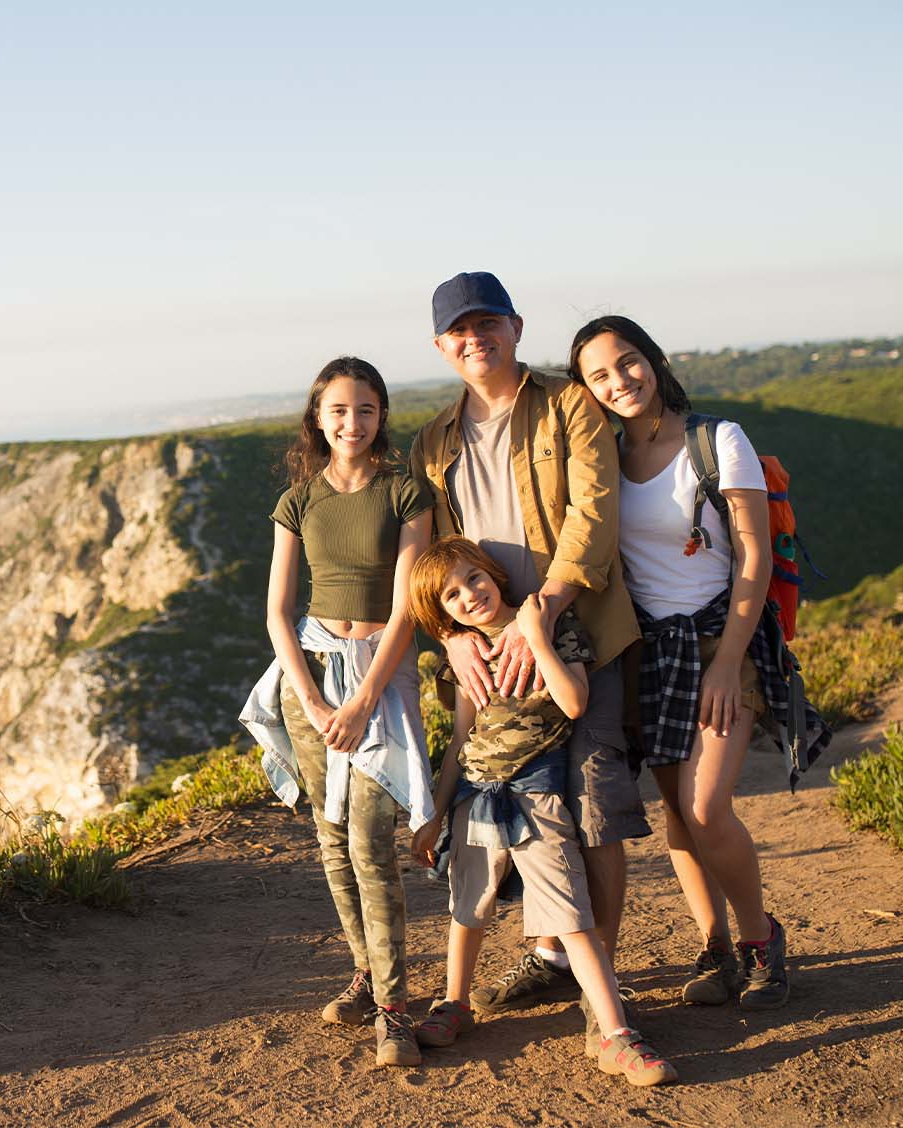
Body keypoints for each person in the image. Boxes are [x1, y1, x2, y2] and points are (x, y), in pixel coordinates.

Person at [407, 273, 649, 1035]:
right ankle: (553, 956)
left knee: (593, 808)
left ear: (515, 327)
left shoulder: (568, 404)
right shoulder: (432, 441)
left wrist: (537, 615)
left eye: (487, 323)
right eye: (459, 330)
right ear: (442, 346)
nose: (474, 338)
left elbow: (594, 513)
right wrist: (453, 637)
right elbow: (433, 558)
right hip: (487, 654)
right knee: (514, 809)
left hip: (579, 637)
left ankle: (599, 985)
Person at [569, 315, 831, 1009]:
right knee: (679, 818)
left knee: (706, 806)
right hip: (648, 651)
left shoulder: (716, 440)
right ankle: (715, 947)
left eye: (628, 361)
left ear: (653, 360)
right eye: (599, 375)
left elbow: (755, 555)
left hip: (722, 640)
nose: (619, 381)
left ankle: (760, 941)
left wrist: (727, 663)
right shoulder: (602, 458)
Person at [406, 536, 677, 1086]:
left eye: (473, 578)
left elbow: (574, 702)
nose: (469, 595)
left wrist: (534, 635)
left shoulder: (551, 625)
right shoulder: (466, 652)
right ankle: (455, 1003)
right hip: (475, 792)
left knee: (569, 913)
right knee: (469, 907)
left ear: (493, 572)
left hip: (537, 792)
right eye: (452, 595)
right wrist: (434, 814)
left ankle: (616, 1034)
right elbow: (461, 740)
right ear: (443, 614)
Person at [239, 357, 435, 1068]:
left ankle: (395, 1010)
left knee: (370, 843)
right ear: (318, 419)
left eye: (367, 410)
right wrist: (316, 699)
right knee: (330, 837)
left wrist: (362, 699)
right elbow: (277, 612)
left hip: (379, 674)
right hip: (314, 677)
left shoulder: (406, 492)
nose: (354, 423)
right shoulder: (298, 501)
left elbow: (407, 607)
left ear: (382, 417)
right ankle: (365, 974)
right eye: (340, 410)